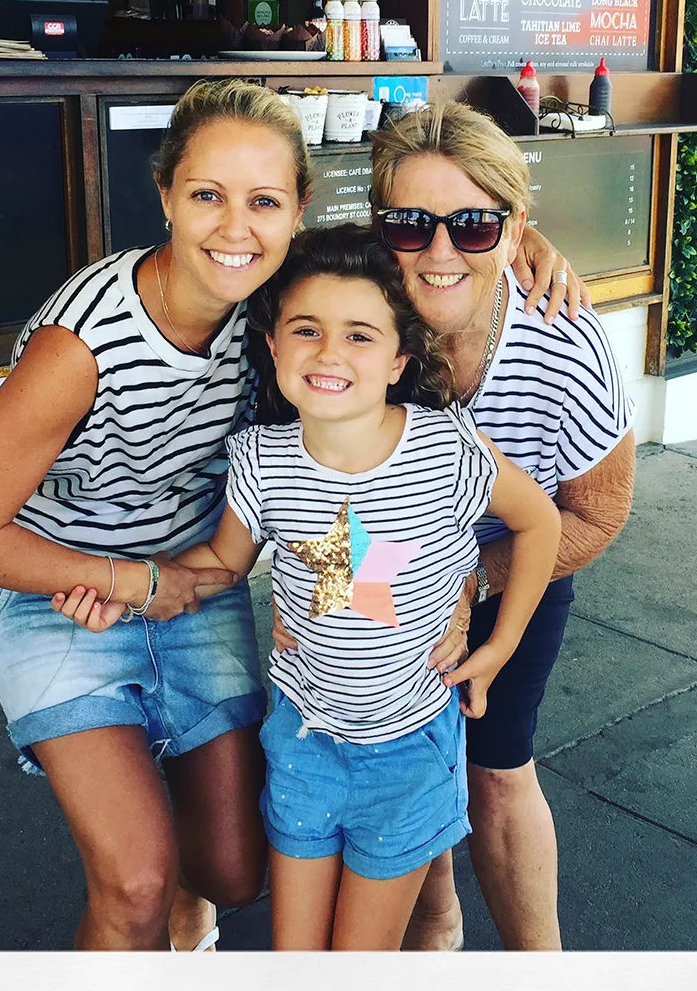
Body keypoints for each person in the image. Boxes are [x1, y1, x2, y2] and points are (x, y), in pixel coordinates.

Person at [0, 77, 591, 953]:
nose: (236, 229)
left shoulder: (272, 302)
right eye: (206, 195)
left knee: (238, 874)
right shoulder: (79, 346)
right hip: (61, 586)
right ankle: (151, 874)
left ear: (296, 212)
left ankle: (191, 885)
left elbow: (392, 263)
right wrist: (113, 578)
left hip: (199, 577)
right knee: (135, 881)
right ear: (164, 195)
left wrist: (509, 235)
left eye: (264, 202)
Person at [53, 224, 561, 950]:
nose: (329, 353)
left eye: (360, 335)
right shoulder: (260, 460)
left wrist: (502, 643)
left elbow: (540, 524)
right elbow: (219, 565)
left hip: (409, 752)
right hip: (302, 744)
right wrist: (122, 587)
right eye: (306, 329)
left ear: (398, 360)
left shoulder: (447, 448)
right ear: (273, 348)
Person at [371, 101, 637, 951]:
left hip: (523, 558)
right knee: (387, 756)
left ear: (516, 224)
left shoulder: (567, 341)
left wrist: (468, 580)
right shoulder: (350, 307)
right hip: (368, 552)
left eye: (475, 224)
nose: (440, 250)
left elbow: (599, 510)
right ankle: (436, 918)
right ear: (379, 228)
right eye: (410, 225)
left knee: (497, 769)